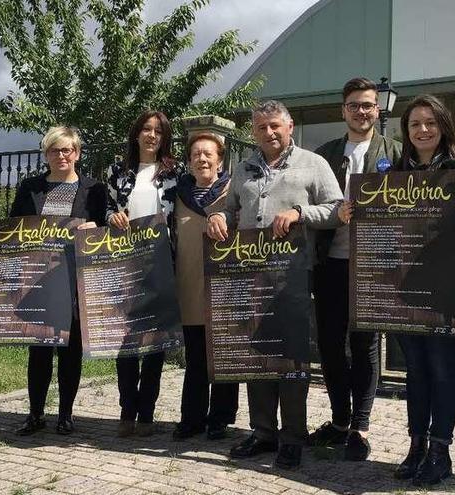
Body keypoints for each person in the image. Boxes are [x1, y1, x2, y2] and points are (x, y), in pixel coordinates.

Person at [344, 94, 455, 485]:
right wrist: (355, 215)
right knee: (415, 370)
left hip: (445, 288)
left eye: (430, 123)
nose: (423, 130)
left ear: (443, 126)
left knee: (441, 367)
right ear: (406, 131)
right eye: (415, 124)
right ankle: (416, 445)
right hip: (405, 290)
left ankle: (441, 449)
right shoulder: (393, 173)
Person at [207, 100, 343, 470]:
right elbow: (228, 208)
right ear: (254, 131)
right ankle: (263, 432)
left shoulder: (314, 165)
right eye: (261, 127)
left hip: (296, 277)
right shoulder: (244, 169)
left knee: (291, 356)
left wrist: (301, 213)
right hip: (250, 276)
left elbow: (337, 209)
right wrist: (219, 216)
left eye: (275, 126)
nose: (268, 133)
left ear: (290, 126)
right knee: (258, 352)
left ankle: (293, 437)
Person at [0, 126, 111, 437]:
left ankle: (66, 414)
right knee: (39, 351)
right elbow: (9, 228)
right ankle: (35, 414)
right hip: (36, 278)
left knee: (71, 350)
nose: (61, 155)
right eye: (54, 150)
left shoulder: (95, 189)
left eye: (67, 150)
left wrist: (95, 228)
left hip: (73, 278)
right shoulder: (31, 187)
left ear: (77, 153)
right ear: (46, 154)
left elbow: (103, 229)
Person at [310, 77, 401, 461]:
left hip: (373, 264)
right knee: (330, 344)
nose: (361, 111)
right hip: (330, 261)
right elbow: (310, 205)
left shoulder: (396, 152)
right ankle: (340, 420)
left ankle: (360, 428)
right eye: (354, 105)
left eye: (368, 105)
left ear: (377, 109)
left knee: (365, 344)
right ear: (342, 110)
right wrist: (335, 214)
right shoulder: (324, 154)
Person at [106, 110, 180, 437]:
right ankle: (127, 410)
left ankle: (146, 413)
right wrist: (112, 217)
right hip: (125, 266)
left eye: (158, 131)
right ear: (136, 134)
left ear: (164, 137)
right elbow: (105, 209)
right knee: (126, 343)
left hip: (162, 267)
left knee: (154, 344)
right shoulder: (117, 172)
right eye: (146, 129)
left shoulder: (176, 173)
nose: (151, 135)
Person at [172, 132, 240, 441]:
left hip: (226, 285)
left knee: (224, 355)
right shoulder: (177, 195)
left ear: (220, 160)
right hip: (189, 284)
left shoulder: (233, 191)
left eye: (208, 154)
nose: (202, 159)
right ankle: (192, 417)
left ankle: (221, 418)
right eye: (196, 154)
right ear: (188, 162)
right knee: (196, 356)